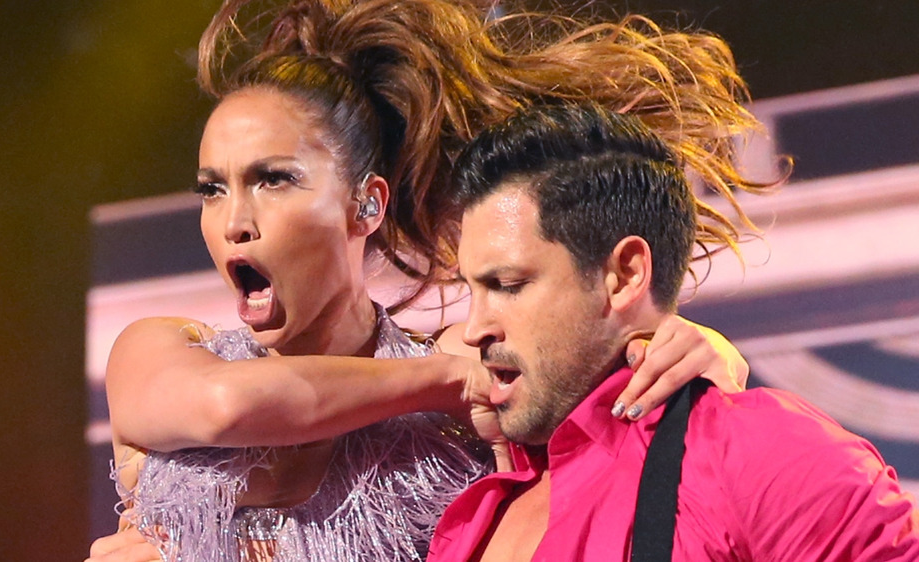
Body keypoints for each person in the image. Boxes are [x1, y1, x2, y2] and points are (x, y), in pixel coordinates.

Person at [86, 0, 770, 560]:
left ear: (368, 204)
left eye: (273, 179)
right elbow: (223, 409)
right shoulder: (162, 351)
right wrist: (448, 383)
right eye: (212, 189)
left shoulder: (461, 373)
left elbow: (617, 411)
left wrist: (708, 352)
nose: (234, 221)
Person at [426, 103, 919, 561]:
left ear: (625, 275)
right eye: (472, 289)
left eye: (508, 284)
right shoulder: (478, 504)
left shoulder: (757, 451)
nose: (475, 328)